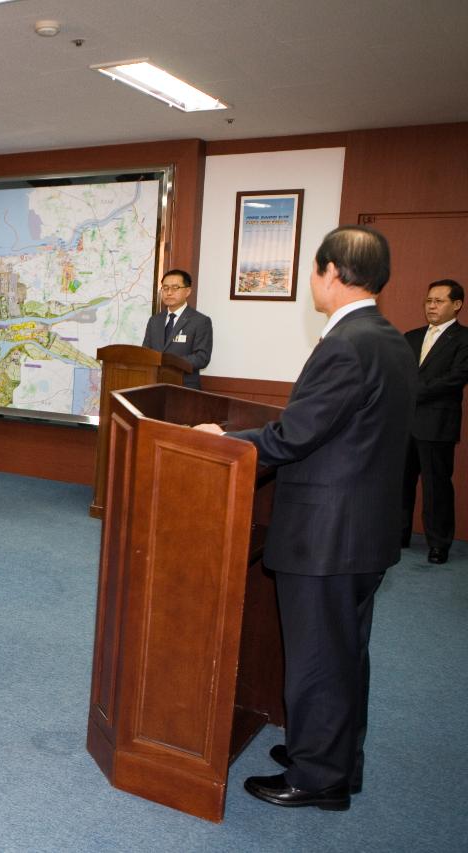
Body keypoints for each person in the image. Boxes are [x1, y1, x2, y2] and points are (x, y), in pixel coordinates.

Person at [196, 225, 416, 811]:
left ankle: (317, 779)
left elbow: (297, 433)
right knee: (345, 651)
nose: (311, 282)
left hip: (328, 535)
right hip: (361, 530)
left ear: (333, 272)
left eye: (315, 270)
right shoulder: (390, 338)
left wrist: (223, 440)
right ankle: (333, 755)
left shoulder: (346, 343)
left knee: (320, 653)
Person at [402, 279, 468, 564]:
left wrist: (412, 391)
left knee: (436, 486)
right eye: (429, 300)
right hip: (403, 423)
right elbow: (398, 372)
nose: (431, 306)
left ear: (457, 305)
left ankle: (439, 544)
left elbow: (455, 379)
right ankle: (398, 536)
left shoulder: (464, 339)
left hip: (437, 423)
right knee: (401, 483)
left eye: (439, 301)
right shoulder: (411, 336)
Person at [142, 269, 212, 389]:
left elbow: (201, 358)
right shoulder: (154, 320)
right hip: (154, 385)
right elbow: (145, 352)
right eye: (165, 288)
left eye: (175, 288)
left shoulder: (200, 321)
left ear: (187, 291)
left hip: (184, 387)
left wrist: (170, 361)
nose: (169, 292)